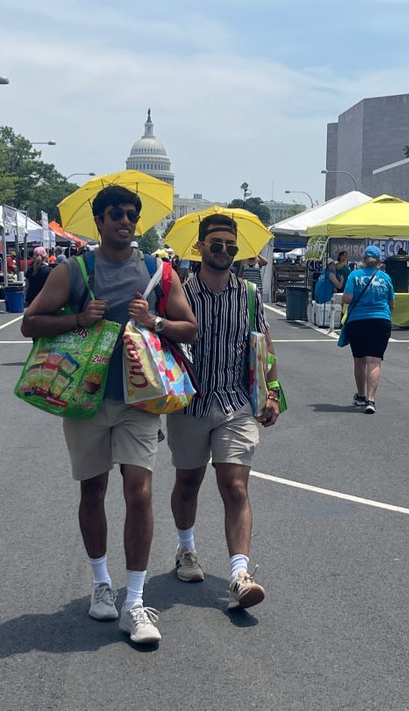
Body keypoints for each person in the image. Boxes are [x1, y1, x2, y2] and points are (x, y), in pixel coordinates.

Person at [22, 185, 198, 645]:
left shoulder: (158, 271)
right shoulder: (74, 269)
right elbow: (30, 322)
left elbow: (190, 329)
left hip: (140, 399)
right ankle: (102, 583)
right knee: (93, 490)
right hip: (86, 399)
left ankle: (134, 601)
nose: (125, 220)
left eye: (132, 214)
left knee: (139, 493)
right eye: (116, 213)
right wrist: (79, 319)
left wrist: (154, 321)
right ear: (98, 221)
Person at [167, 214, 281, 611]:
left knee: (235, 486)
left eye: (231, 247)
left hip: (236, 404)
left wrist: (273, 392)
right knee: (188, 483)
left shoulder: (249, 294)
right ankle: (186, 550)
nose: (225, 253)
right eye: (217, 245)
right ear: (199, 247)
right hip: (190, 403)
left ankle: (239, 574)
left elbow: (262, 344)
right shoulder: (180, 293)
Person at [343, 245, 396, 413]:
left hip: (357, 321)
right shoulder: (385, 278)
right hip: (380, 320)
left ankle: (360, 395)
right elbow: (391, 304)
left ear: (363, 260)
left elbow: (347, 298)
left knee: (359, 360)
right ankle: (370, 400)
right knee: (374, 361)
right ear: (379, 261)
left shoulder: (354, 275)